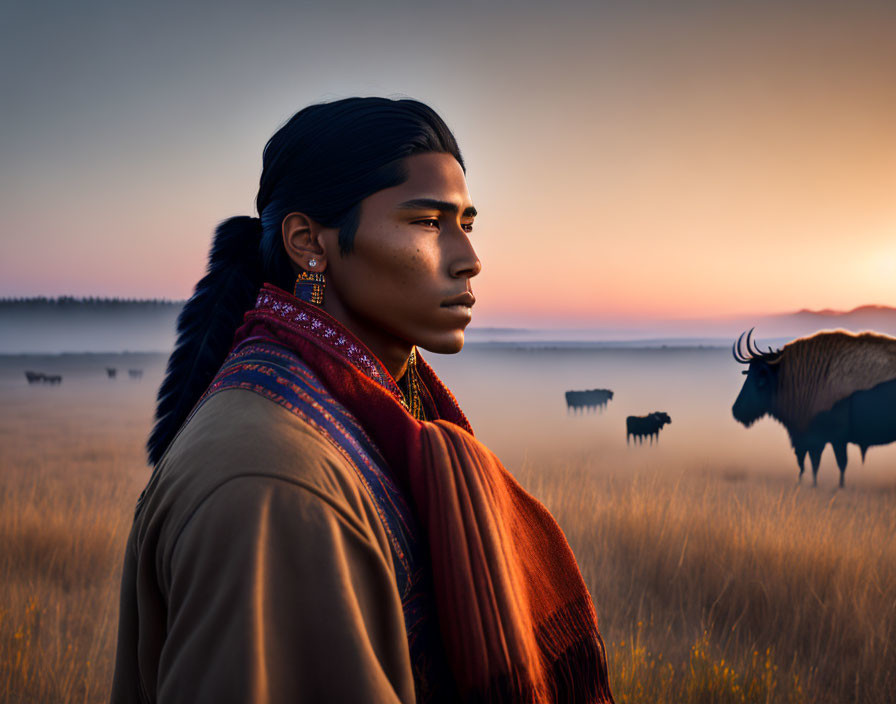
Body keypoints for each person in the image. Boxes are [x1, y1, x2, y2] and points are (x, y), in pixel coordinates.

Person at [111, 97, 614, 704]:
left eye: (467, 223)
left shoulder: (381, 413)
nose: (468, 260)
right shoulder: (270, 485)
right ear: (309, 244)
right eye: (427, 222)